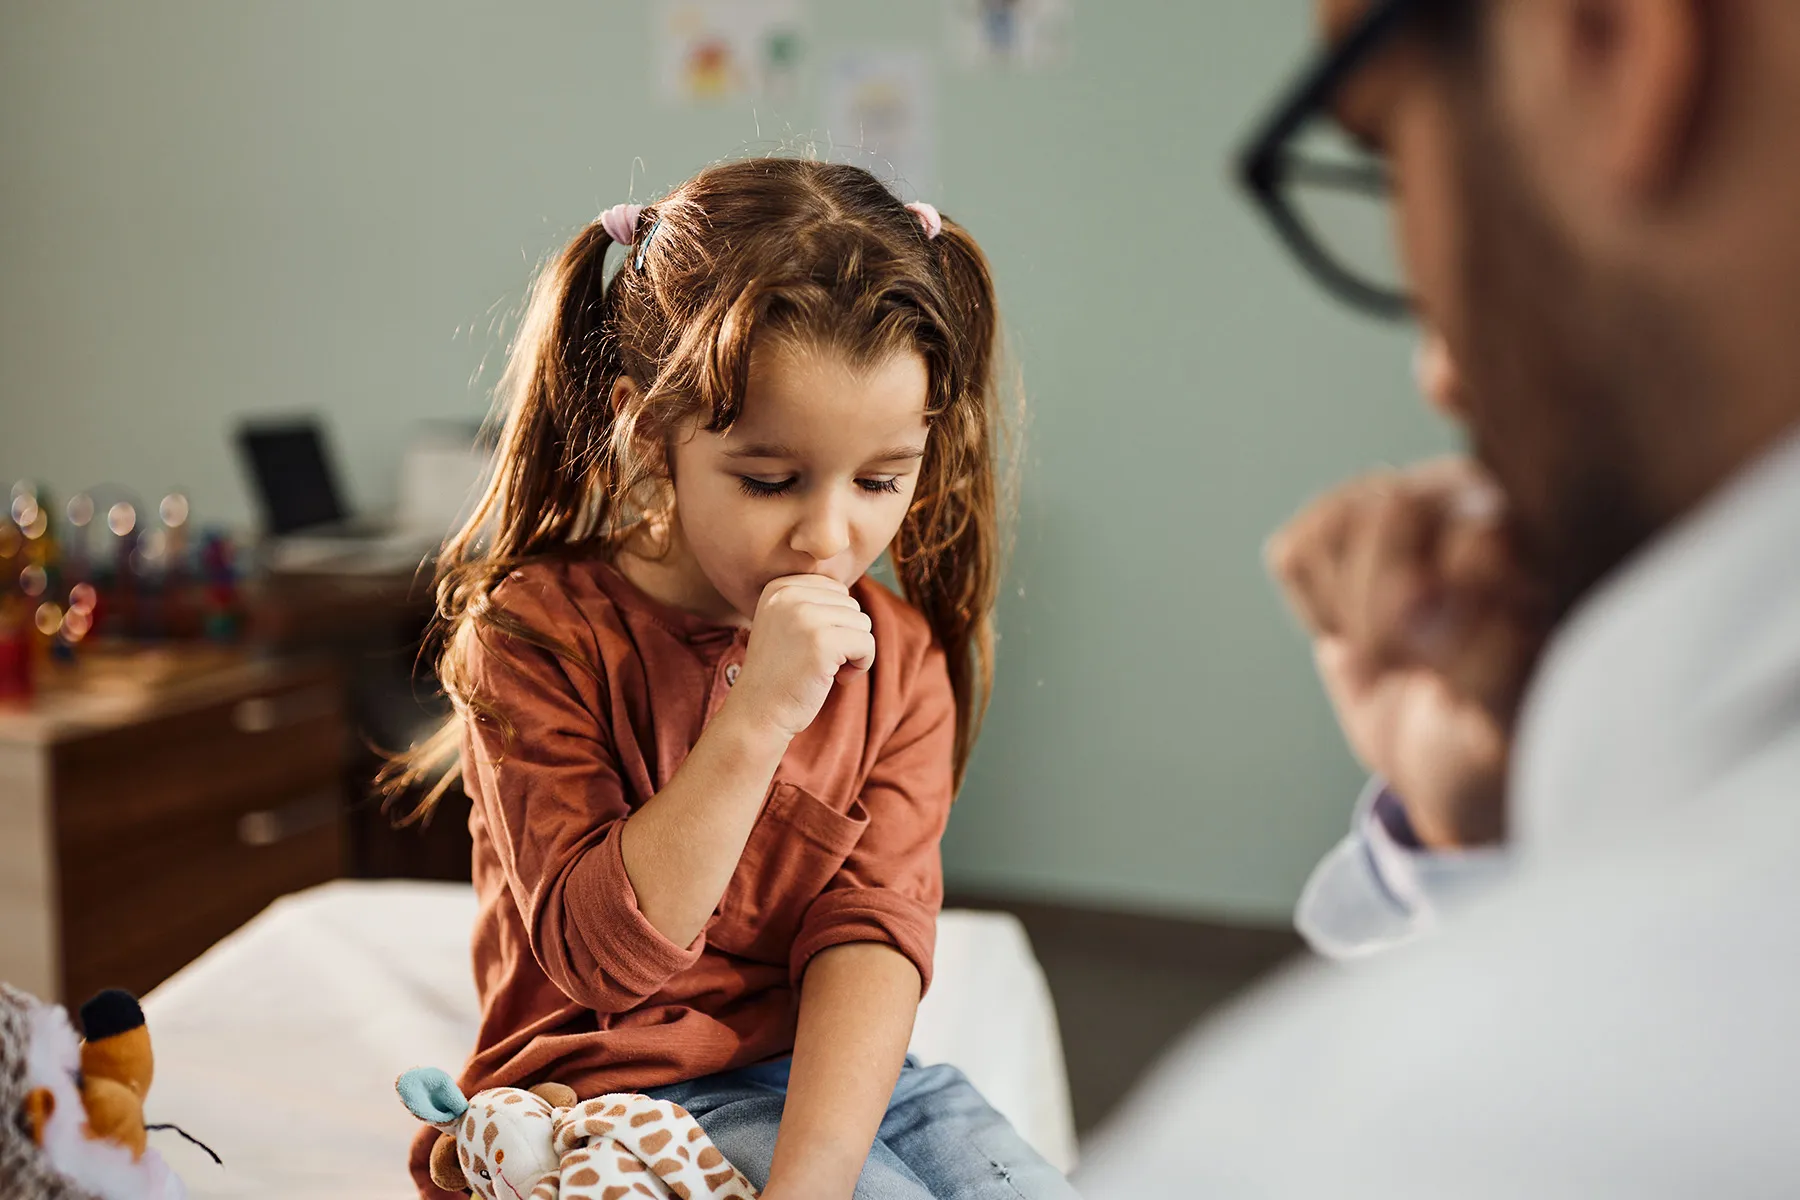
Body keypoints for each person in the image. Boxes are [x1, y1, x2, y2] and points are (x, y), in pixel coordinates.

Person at [1079, 0, 1800, 1193]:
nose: (1439, 368)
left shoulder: (1328, 1153)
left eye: (1395, 147)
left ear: (1605, 40)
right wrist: (1484, 845)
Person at [386, 158, 1075, 1200]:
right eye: (769, 479)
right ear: (650, 437)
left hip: (851, 1080)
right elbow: (603, 963)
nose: (831, 535)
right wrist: (757, 718)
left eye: (882, 479)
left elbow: (872, 939)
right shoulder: (536, 634)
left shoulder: (902, 661)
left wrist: (811, 1181)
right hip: (625, 1082)